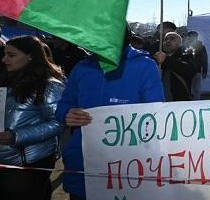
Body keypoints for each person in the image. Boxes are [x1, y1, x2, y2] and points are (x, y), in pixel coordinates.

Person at [55, 27, 165, 200]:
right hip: (83, 160)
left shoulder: (144, 66)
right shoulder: (82, 67)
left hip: (126, 164)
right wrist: (66, 114)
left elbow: (155, 112)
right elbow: (64, 104)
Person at [0, 35, 64, 200]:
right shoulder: (2, 81)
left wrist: (16, 136)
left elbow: (57, 122)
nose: (4, 59)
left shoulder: (49, 86)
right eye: (5, 54)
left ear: (31, 56)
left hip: (24, 167)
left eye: (11, 55)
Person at [153, 32, 198, 101]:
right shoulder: (155, 59)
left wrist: (166, 60)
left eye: (172, 39)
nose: (168, 41)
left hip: (178, 103)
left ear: (180, 44)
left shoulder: (186, 57)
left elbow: (190, 70)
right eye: (165, 39)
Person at [185, 30, 208, 100]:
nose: (190, 38)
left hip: (197, 70)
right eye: (189, 36)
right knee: (186, 88)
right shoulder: (184, 46)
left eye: (192, 36)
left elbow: (204, 60)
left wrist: (204, 71)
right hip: (185, 71)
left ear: (196, 37)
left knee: (197, 89)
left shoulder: (201, 47)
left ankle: (196, 103)